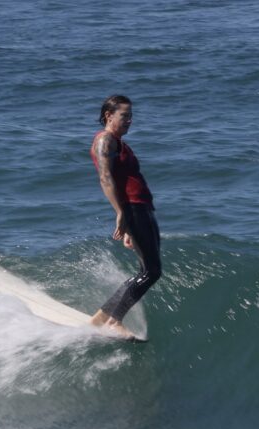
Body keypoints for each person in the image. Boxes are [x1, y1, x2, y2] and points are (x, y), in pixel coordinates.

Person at [88, 95, 161, 339]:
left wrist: (128, 228)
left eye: (131, 116)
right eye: (124, 116)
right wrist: (121, 214)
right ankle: (114, 320)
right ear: (109, 116)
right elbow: (105, 178)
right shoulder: (105, 140)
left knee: (145, 270)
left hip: (140, 209)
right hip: (134, 208)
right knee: (152, 272)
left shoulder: (118, 142)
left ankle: (100, 318)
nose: (130, 120)